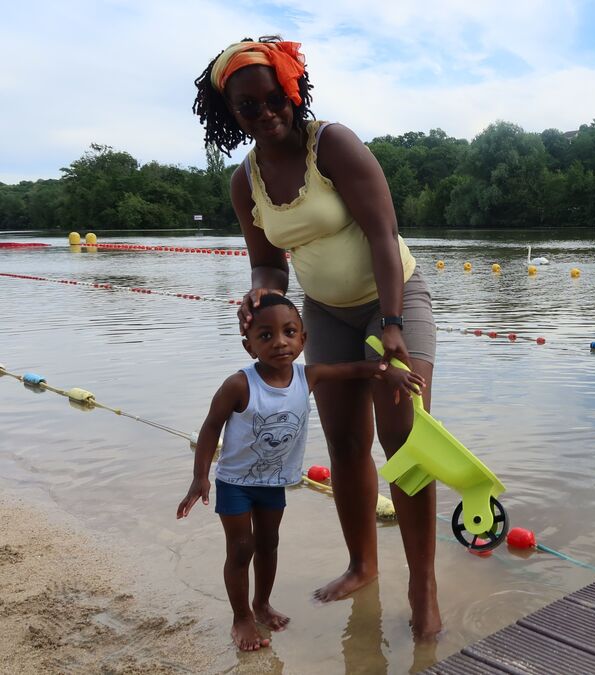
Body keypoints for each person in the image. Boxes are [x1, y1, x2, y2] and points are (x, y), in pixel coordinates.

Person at [192, 37, 444, 636]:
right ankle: (362, 565)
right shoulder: (244, 181)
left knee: (405, 442)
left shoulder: (331, 143)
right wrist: (259, 291)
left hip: (395, 299)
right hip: (324, 312)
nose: (268, 111)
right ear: (232, 115)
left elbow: (384, 236)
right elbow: (269, 264)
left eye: (277, 97)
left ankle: (422, 583)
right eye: (249, 106)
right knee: (346, 443)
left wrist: (393, 325)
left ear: (293, 89)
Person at [176, 294, 424, 651]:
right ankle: (242, 617)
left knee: (269, 543)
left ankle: (262, 603)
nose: (279, 342)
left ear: (303, 340)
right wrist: (200, 477)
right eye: (265, 336)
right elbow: (211, 427)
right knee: (241, 549)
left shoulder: (308, 376)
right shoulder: (240, 385)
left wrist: (390, 373)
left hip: (274, 481)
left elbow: (356, 369)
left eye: (289, 332)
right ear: (249, 347)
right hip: (236, 483)